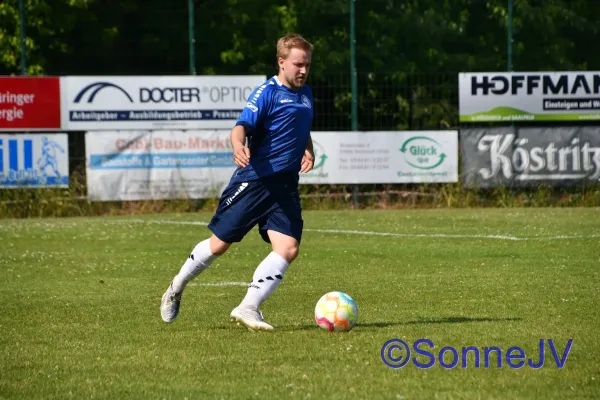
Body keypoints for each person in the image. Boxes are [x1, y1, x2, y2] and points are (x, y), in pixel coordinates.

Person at [160, 33, 315, 332]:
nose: (303, 70)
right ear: (281, 62)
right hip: (254, 181)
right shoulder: (266, 93)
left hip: (284, 186)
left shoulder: (306, 93)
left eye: (307, 64)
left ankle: (248, 307)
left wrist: (308, 148)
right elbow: (241, 127)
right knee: (219, 245)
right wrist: (237, 146)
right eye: (298, 64)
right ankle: (177, 286)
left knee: (288, 248)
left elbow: (303, 128)